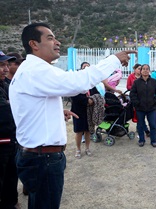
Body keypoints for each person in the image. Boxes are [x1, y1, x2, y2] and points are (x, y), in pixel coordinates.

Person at [9, 22, 136, 209]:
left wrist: (55, 112)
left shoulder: (31, 70)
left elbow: (28, 107)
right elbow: (78, 82)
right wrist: (114, 60)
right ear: (34, 44)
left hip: (38, 156)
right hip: (42, 159)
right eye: (50, 38)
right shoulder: (36, 71)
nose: (57, 42)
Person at [0, 52, 20, 209]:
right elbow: (7, 114)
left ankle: (11, 204)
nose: (5, 69)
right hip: (2, 143)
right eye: (1, 65)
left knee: (11, 177)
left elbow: (19, 105)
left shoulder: (6, 85)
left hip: (10, 141)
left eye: (6, 65)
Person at [71, 62, 100, 159]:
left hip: (89, 111)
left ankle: (87, 148)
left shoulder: (91, 84)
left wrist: (93, 99)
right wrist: (87, 100)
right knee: (79, 131)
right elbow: (75, 96)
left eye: (88, 67)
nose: (86, 69)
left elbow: (97, 94)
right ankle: (78, 149)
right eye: (84, 67)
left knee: (88, 131)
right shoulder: (76, 83)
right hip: (78, 111)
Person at [130, 64, 156, 147]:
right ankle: (141, 140)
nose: (145, 70)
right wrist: (137, 103)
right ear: (141, 71)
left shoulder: (154, 81)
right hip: (140, 108)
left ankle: (153, 140)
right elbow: (132, 94)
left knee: (153, 125)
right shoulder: (136, 82)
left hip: (151, 108)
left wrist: (155, 101)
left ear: (149, 70)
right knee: (140, 125)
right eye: (143, 69)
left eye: (147, 69)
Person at [127, 64, 150, 136]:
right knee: (137, 114)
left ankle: (142, 128)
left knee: (142, 114)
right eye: (138, 68)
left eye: (141, 69)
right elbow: (128, 86)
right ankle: (144, 129)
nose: (140, 70)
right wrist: (136, 88)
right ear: (135, 69)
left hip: (143, 98)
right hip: (135, 98)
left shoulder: (144, 77)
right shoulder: (131, 76)